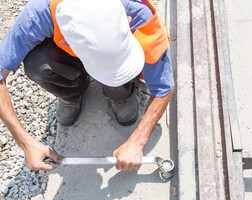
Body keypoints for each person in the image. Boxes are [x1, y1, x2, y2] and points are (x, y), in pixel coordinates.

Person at [0, 0, 174, 172]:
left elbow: (163, 86)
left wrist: (137, 141)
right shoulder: (39, 13)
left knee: (120, 82)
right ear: (67, 42)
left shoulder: (141, 17)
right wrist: (25, 142)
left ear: (127, 21)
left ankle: (121, 95)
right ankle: (72, 93)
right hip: (70, 54)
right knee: (37, 63)